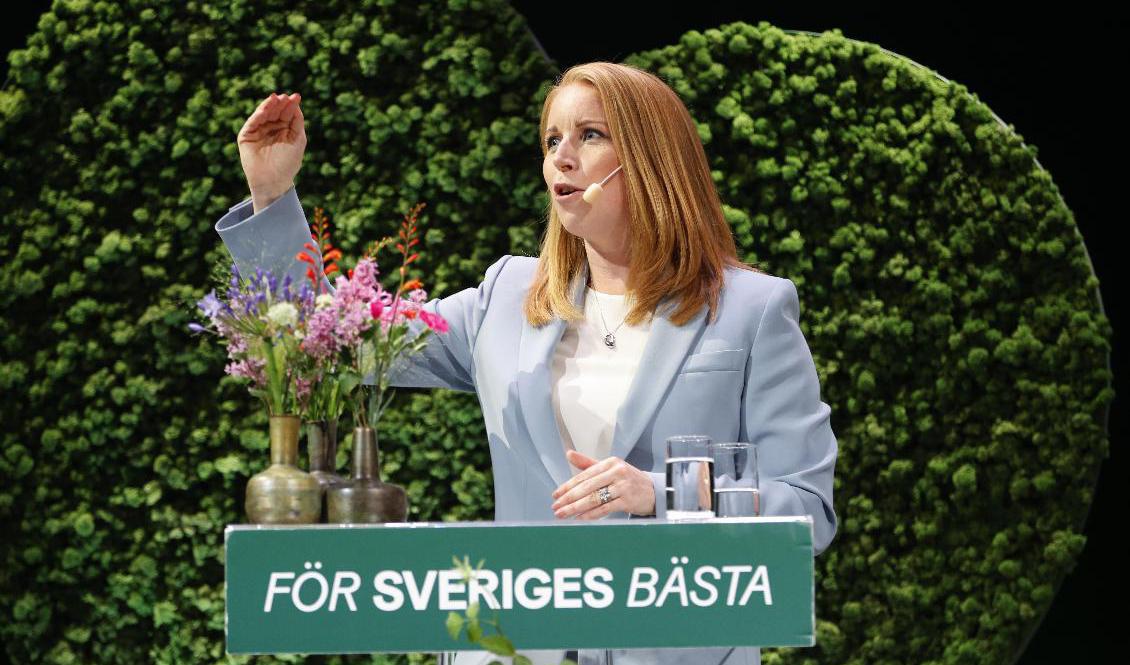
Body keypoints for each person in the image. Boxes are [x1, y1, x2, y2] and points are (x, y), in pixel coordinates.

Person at [215, 61, 838, 665]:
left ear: (651, 159)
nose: (560, 158)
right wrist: (272, 194)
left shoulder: (752, 308)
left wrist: (657, 493)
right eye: (551, 140)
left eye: (589, 136)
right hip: (515, 651)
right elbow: (330, 341)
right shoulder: (505, 298)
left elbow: (807, 509)